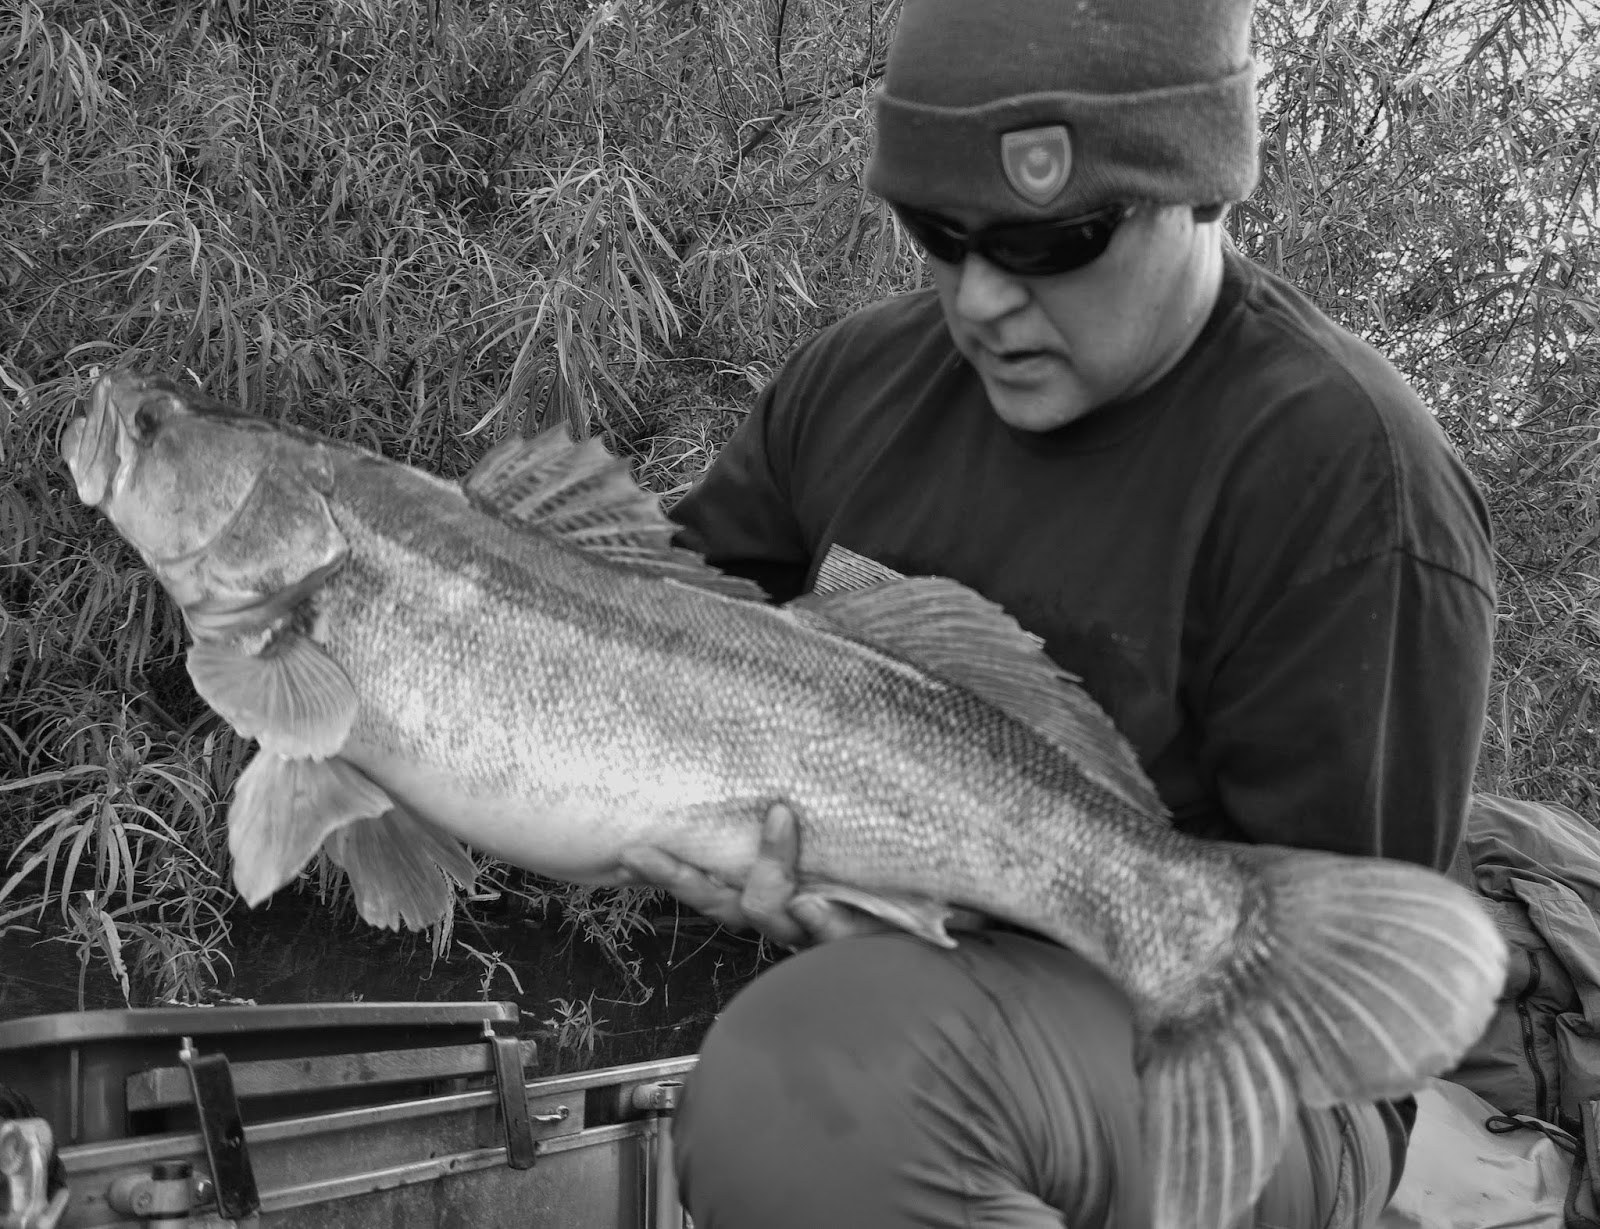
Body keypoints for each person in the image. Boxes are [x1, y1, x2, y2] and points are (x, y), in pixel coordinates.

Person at [619, 0, 1498, 1224]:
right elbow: (649, 618)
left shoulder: (1350, 482)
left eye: (1051, 241)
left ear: (1200, 189)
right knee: (834, 1057)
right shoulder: (854, 380)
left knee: (806, 1083)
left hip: (1259, 1065)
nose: (980, 298)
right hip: (927, 990)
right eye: (936, 232)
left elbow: (1342, 995)